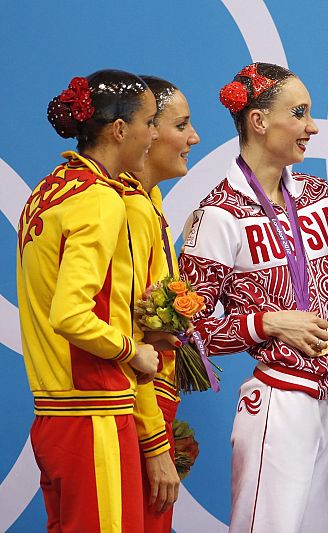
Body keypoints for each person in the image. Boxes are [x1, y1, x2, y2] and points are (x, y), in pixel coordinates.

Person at [179, 62, 328, 532]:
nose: (312, 127)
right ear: (258, 121)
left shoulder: (318, 195)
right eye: (298, 114)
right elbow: (184, 332)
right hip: (280, 399)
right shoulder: (219, 215)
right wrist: (269, 323)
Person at [17, 69, 160, 532]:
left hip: (55, 416)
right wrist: (132, 351)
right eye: (150, 122)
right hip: (93, 415)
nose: (153, 135)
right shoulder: (101, 199)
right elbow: (72, 314)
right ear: (120, 130)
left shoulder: (48, 190)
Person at [120, 75, 200, 531]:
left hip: (151, 406)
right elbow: (132, 339)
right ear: (147, 132)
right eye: (181, 125)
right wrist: (153, 442)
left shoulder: (150, 202)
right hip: (136, 411)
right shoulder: (128, 209)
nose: (194, 137)